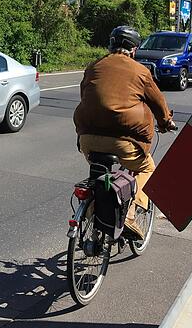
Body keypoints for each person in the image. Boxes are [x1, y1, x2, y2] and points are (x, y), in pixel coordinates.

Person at [74, 26, 177, 239]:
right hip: (124, 142)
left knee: (99, 175)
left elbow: (86, 95)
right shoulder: (140, 72)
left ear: (111, 45)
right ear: (134, 49)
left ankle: (92, 210)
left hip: (88, 140)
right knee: (147, 168)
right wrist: (166, 122)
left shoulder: (94, 66)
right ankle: (130, 214)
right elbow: (158, 103)